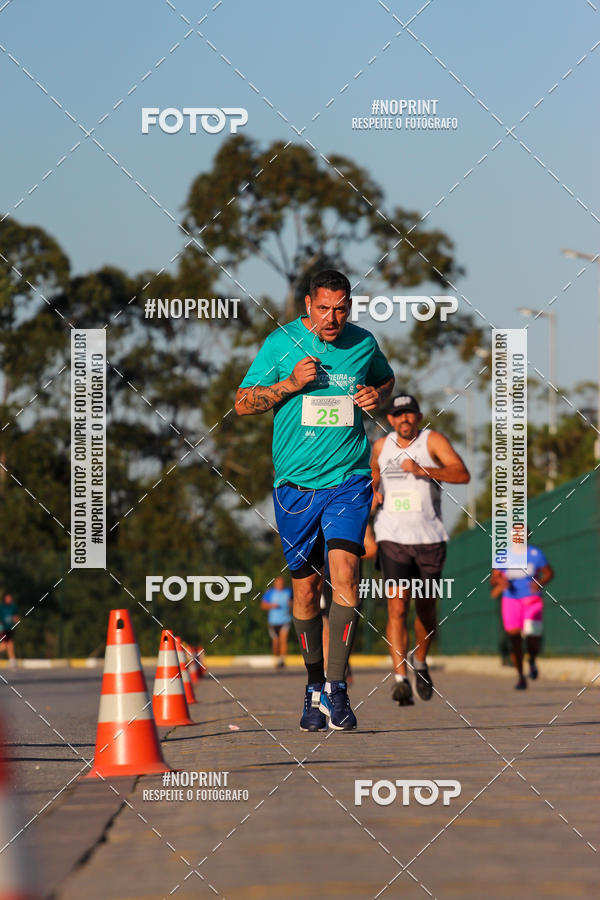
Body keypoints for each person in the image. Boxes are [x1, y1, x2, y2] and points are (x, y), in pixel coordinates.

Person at [235, 269, 394, 731]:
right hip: (295, 486)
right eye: (323, 308)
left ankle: (338, 687)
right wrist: (288, 386)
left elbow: (385, 381)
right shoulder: (280, 344)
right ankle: (312, 686)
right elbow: (242, 403)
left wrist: (375, 396)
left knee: (346, 571)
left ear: (350, 307)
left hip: (349, 477)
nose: (332, 318)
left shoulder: (363, 343)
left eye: (341, 308)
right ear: (308, 305)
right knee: (305, 589)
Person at [371, 394, 470, 705]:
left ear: (418, 416)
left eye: (410, 414)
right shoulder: (380, 446)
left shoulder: (432, 441)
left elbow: (462, 474)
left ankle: (421, 663)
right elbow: (373, 474)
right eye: (399, 415)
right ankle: (400, 678)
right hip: (392, 537)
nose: (405, 420)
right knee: (397, 607)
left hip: (429, 538)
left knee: (426, 610)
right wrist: (373, 490)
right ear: (390, 420)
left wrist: (425, 470)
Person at [491, 532, 554, 689]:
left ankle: (532, 659)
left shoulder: (536, 554)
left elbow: (549, 573)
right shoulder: (503, 555)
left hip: (532, 600)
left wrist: (539, 582)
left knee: (533, 638)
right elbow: (494, 578)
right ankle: (520, 676)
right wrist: (501, 581)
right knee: (515, 640)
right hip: (511, 600)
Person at [320, 522, 377, 683]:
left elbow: (372, 548)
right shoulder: (319, 512)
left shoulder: (358, 515)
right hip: (325, 579)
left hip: (348, 580)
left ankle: (340, 666)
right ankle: (328, 673)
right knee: (326, 626)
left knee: (344, 625)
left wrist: (346, 553)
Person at [261, 576, 292, 668]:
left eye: (282, 583)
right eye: (278, 583)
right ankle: (277, 659)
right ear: (275, 583)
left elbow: (294, 602)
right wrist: (272, 605)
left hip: (285, 620)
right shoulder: (270, 593)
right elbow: (263, 605)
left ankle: (282, 660)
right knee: (276, 642)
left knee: (283, 639)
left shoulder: (289, 591)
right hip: (273, 621)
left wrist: (291, 604)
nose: (280, 585)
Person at [0, 594, 19, 668]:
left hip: (9, 628)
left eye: (10, 598)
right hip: (2, 628)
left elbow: (16, 616)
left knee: (10, 643)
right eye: (8, 598)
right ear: (4, 599)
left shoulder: (13, 607)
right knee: (4, 645)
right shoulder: (1, 607)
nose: (9, 599)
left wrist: (16, 619)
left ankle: (12, 660)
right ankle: (12, 660)